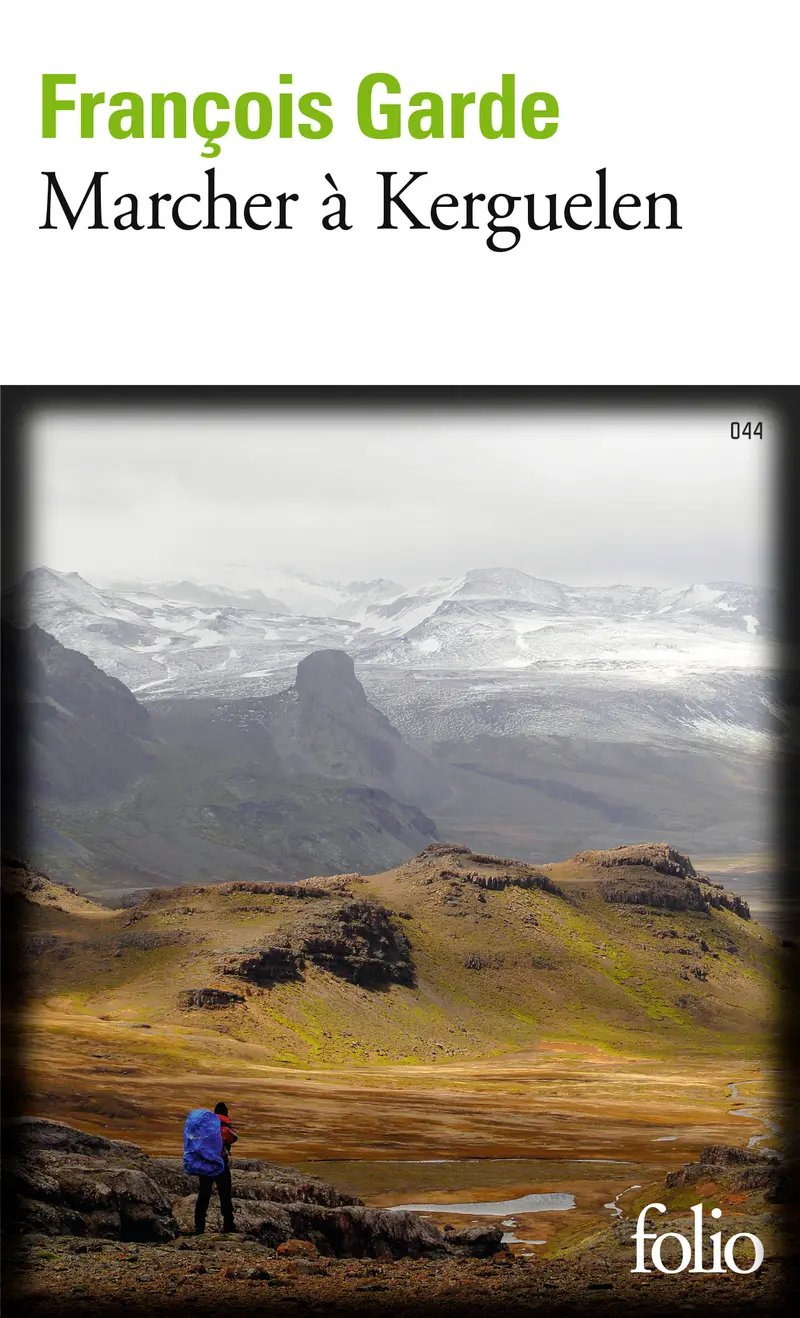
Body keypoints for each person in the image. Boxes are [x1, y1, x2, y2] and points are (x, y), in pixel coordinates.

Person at [194, 1101, 238, 1234]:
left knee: (203, 1196)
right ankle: (229, 1226)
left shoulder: (205, 1126)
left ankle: (199, 1228)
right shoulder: (226, 1127)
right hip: (221, 1163)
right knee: (225, 1196)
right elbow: (233, 1138)